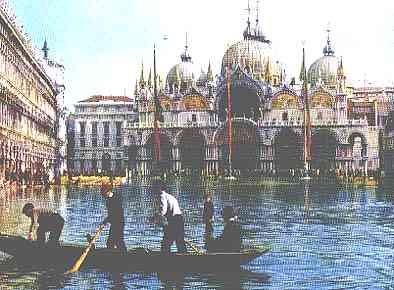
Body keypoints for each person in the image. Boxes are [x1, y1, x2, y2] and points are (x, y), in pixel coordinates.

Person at [152, 179, 186, 253]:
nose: (153, 189)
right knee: (180, 241)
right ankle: (184, 256)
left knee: (166, 243)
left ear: (158, 188)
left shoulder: (162, 196)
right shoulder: (169, 196)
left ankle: (165, 259)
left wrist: (155, 217)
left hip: (174, 220)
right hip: (179, 219)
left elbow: (163, 211)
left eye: (154, 187)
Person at [100, 182, 127, 252]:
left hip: (119, 223)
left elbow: (115, 213)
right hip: (114, 223)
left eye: (103, 194)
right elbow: (111, 214)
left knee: (117, 242)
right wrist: (105, 221)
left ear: (107, 192)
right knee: (112, 243)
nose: (102, 196)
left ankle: (124, 257)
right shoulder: (108, 200)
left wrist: (106, 221)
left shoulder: (116, 198)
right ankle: (116, 256)